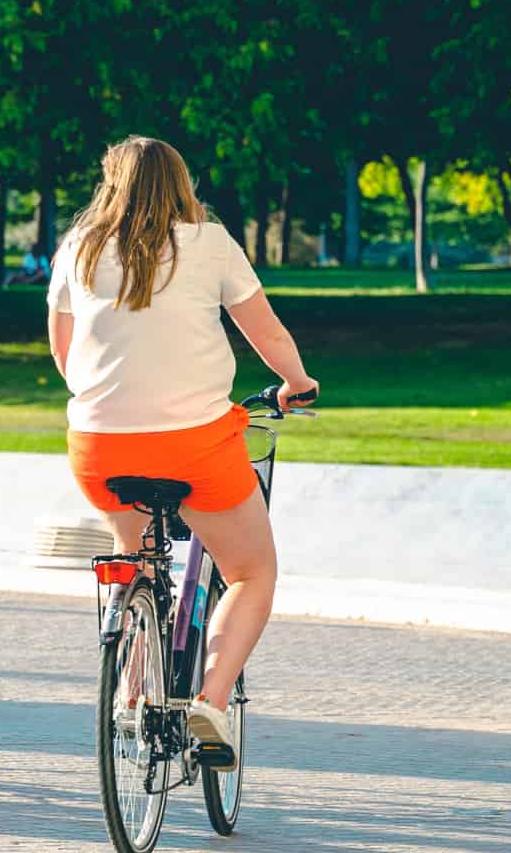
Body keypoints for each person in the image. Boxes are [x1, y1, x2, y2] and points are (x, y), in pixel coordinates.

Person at [47, 137, 318, 764]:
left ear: (109, 184)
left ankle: (133, 690)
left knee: (133, 553)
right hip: (196, 447)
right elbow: (267, 333)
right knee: (252, 571)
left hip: (98, 446)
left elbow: (64, 354)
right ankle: (210, 703)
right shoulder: (210, 243)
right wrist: (298, 386)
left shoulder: (78, 247)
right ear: (181, 185)